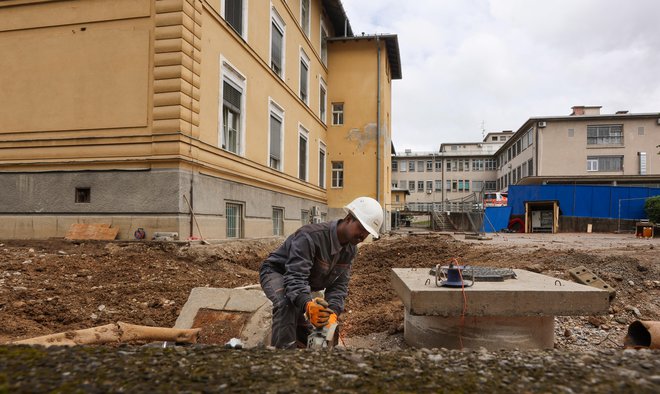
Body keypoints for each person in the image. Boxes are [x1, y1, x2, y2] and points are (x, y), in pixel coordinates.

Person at [259, 196, 383, 349]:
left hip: (301, 282)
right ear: (349, 218)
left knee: (312, 331)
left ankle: (309, 350)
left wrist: (333, 312)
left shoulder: (350, 249)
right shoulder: (310, 236)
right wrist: (307, 304)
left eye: (367, 233)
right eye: (362, 229)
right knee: (285, 303)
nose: (363, 236)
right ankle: (281, 361)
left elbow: (339, 286)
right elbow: (295, 277)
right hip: (276, 272)